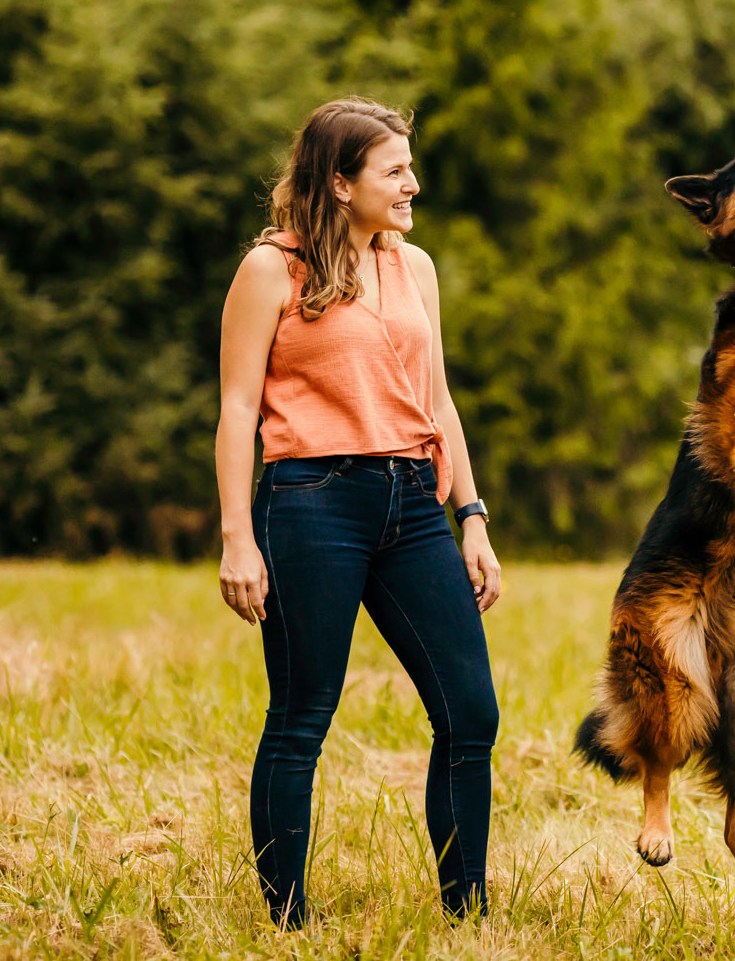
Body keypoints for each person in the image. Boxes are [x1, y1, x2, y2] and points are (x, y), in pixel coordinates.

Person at [214, 96, 503, 928]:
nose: (413, 183)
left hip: (414, 505)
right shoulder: (273, 270)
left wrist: (472, 514)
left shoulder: (414, 266)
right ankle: (287, 918)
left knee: (470, 712)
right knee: (303, 713)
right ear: (341, 183)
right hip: (312, 504)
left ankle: (467, 912)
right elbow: (238, 409)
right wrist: (239, 537)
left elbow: (437, 397)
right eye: (395, 170)